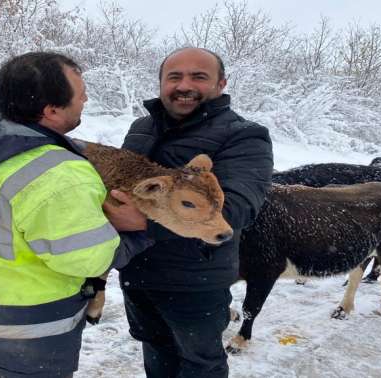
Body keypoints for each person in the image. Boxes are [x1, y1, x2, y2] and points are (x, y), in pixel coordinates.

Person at [0, 52, 150, 378]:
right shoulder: (60, 173)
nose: (86, 100)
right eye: (80, 96)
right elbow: (89, 259)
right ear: (51, 110)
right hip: (30, 327)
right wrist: (137, 231)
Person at [114, 47, 274, 377]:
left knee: (199, 365)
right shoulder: (141, 128)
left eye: (198, 77)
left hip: (194, 282)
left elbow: (237, 207)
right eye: (174, 77)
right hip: (137, 273)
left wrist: (145, 223)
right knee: (156, 355)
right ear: (161, 83)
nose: (184, 85)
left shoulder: (244, 135)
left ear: (221, 83)